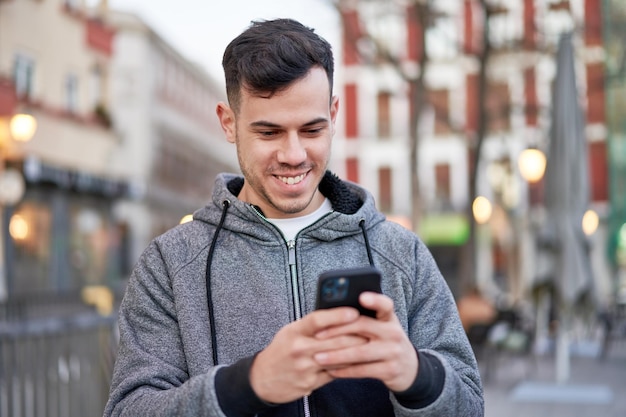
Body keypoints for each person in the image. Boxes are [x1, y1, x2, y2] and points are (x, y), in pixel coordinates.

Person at [104, 18, 483, 417]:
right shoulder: (170, 264)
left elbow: (471, 405)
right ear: (228, 123)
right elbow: (130, 409)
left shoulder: (401, 252)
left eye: (312, 129)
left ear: (334, 115)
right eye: (269, 133)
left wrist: (417, 377)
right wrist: (244, 386)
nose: (294, 154)